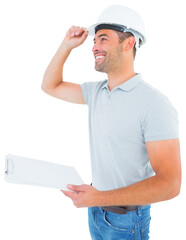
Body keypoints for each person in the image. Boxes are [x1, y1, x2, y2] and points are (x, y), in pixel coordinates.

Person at [41, 5, 181, 240]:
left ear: (129, 44)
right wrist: (66, 45)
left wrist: (97, 198)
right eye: (94, 40)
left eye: (103, 39)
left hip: (127, 221)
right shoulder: (96, 92)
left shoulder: (155, 104)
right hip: (95, 212)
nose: (94, 46)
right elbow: (50, 86)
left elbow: (170, 184)